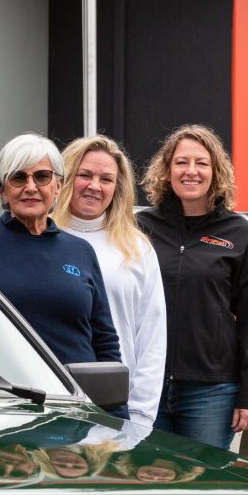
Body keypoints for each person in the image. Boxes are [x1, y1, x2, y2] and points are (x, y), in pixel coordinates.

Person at [0, 133, 122, 409]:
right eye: (18, 177)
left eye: (42, 177)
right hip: (0, 406)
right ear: (3, 190)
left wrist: (116, 414)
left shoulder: (80, 251)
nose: (30, 187)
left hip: (75, 408)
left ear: (58, 186)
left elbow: (105, 340)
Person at [137, 125, 248, 449]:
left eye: (201, 163)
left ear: (216, 172)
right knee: (146, 477)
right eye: (181, 162)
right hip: (148, 385)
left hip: (211, 393)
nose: (191, 171)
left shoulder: (239, 233)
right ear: (167, 171)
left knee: (203, 478)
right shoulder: (141, 227)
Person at [53, 135, 167, 426]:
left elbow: (152, 337)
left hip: (116, 406)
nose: (95, 186)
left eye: (106, 179)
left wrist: (140, 414)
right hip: (52, 397)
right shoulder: (40, 236)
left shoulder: (136, 248)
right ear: (65, 177)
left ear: (118, 188)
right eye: (85, 175)